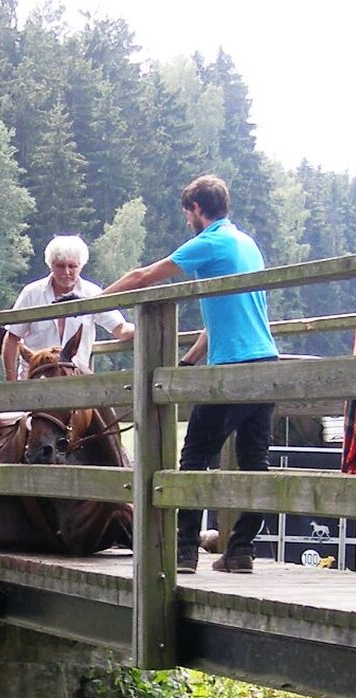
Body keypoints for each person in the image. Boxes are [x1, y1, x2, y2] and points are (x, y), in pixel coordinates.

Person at [99, 174, 278, 574]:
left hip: (233, 369)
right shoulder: (246, 243)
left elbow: (144, 276)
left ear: (197, 209)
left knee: (195, 457)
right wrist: (191, 361)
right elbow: (221, 321)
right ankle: (240, 551)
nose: (186, 222)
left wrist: (93, 303)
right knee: (255, 463)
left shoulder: (210, 242)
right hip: (266, 361)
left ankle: (184, 552)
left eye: (187, 214)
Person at [2, 235, 135, 380]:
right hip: (35, 380)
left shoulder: (92, 293)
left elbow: (121, 329)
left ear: (81, 266)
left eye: (72, 266)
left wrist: (144, 328)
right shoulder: (31, 293)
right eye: (60, 266)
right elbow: (12, 337)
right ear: (51, 265)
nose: (66, 272)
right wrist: (11, 381)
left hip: (75, 381)